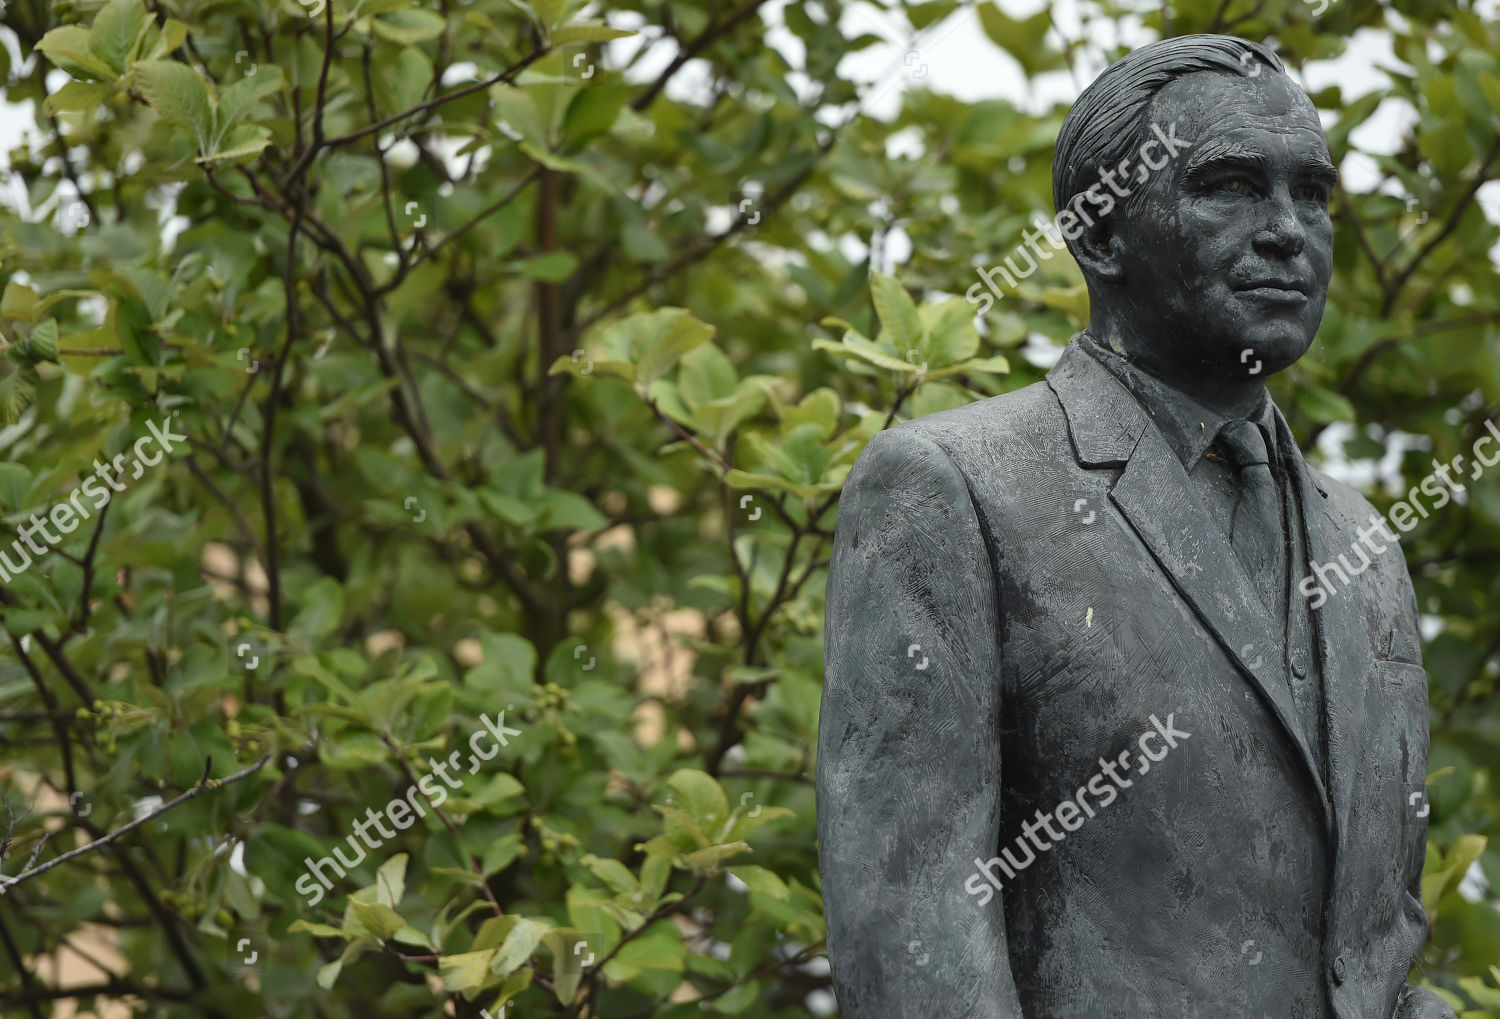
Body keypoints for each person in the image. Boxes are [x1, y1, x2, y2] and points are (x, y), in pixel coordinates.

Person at [817, 34, 1454, 1019]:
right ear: (1100, 233)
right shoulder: (953, 486)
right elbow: (912, 934)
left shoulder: (1364, 537)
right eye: (1232, 185)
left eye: (1313, 194)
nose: (1289, 230)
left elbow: (1374, 936)